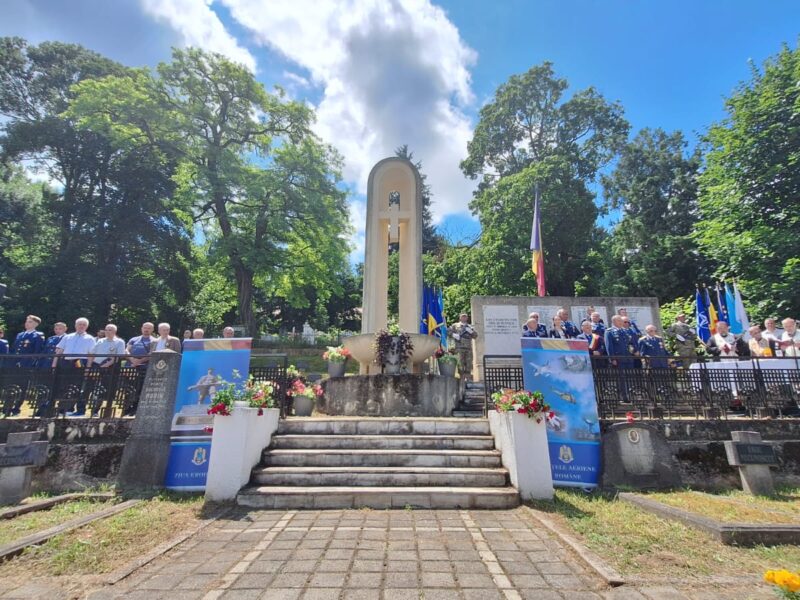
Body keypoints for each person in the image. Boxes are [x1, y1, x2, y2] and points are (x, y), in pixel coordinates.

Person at [54, 318, 96, 417]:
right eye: (79, 324)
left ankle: (72, 408)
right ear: (75, 325)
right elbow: (59, 350)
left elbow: (91, 354)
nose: (81, 326)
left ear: (86, 326)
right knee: (64, 385)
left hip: (79, 361)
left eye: (83, 325)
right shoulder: (67, 337)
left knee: (77, 385)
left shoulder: (90, 338)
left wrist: (88, 368)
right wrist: (54, 364)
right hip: (66, 360)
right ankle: (62, 408)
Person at [450, 313, 478, 381]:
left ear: (467, 318)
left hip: (468, 348)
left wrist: (471, 331)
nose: (464, 318)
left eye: (465, 317)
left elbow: (475, 336)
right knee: (460, 364)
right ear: (460, 318)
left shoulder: (470, 326)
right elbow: (448, 332)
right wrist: (454, 335)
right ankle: (461, 379)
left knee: (468, 364)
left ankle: (468, 379)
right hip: (459, 348)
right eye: (462, 317)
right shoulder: (455, 325)